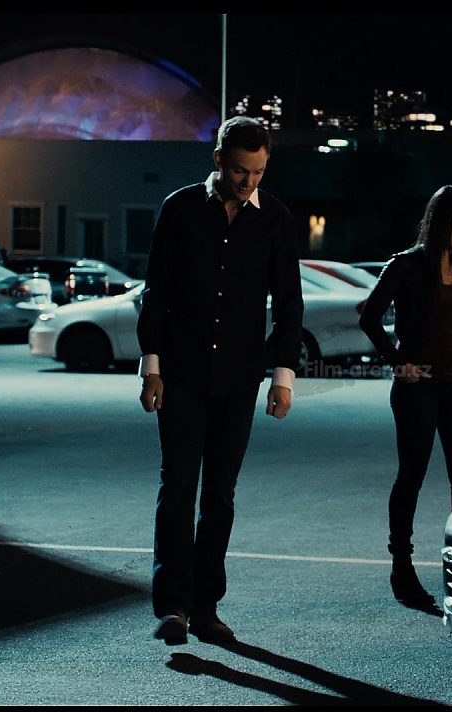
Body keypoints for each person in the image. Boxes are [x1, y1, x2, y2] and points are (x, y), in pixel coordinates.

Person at [136, 115, 304, 645]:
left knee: (220, 496)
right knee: (178, 487)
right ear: (218, 160)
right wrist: (151, 367)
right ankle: (173, 607)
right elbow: (156, 292)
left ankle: (206, 606)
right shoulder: (180, 208)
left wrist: (283, 377)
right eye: (239, 171)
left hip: (239, 378)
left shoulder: (275, 219)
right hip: (180, 374)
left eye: (258, 172)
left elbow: (289, 302)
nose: (248, 182)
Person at [358, 184, 452, 610]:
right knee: (411, 477)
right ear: (440, 221)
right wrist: (398, 362)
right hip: (418, 389)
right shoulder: (407, 265)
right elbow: (370, 318)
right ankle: (402, 569)